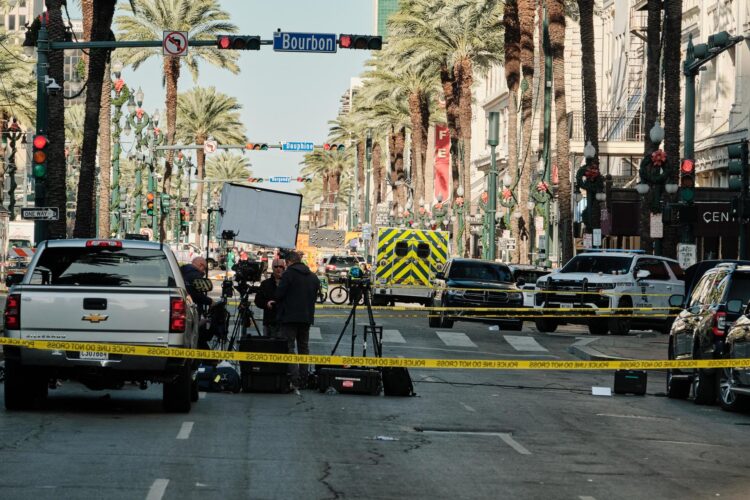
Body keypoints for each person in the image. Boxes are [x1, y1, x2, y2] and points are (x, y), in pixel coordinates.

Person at [271, 250, 320, 390]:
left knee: (290, 348)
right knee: (304, 348)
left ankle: (294, 378)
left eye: (285, 264)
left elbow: (279, 294)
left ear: (289, 262)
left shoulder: (289, 274)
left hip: (289, 318)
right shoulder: (313, 276)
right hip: (306, 318)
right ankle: (304, 378)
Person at [180, 257, 213, 350]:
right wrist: (210, 301)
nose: (204, 272)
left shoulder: (181, 271)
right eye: (204, 269)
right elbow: (197, 295)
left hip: (181, 308)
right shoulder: (196, 275)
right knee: (195, 335)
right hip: (192, 310)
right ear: (201, 265)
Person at [254, 258, 285, 337]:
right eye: (276, 266)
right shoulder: (266, 284)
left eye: (281, 267)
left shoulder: (288, 283)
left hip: (284, 322)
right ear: (272, 268)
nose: (278, 269)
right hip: (269, 321)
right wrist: (266, 304)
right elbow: (258, 300)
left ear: (284, 268)